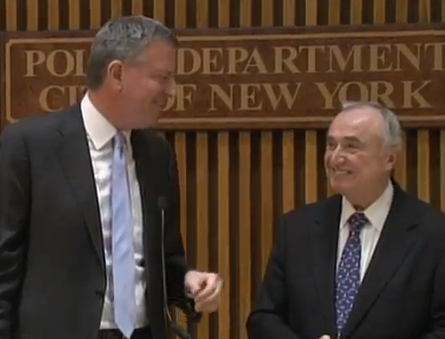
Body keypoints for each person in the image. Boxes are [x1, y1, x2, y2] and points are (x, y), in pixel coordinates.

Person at [0, 16, 223, 339]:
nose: (171, 90)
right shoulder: (29, 147)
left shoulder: (157, 153)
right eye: (163, 77)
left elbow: (166, 257)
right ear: (117, 73)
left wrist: (189, 282)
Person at [246, 101, 445, 339]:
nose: (335, 158)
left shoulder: (434, 233)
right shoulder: (297, 228)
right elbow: (264, 319)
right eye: (331, 145)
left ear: (390, 159)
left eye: (351, 146)